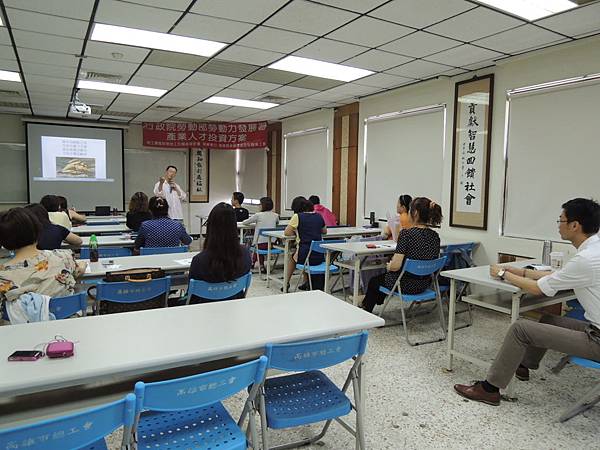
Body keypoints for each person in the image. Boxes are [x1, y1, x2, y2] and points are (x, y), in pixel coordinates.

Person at [454, 198, 600, 406]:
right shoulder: (594, 250)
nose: (558, 224)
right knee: (548, 320)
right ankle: (523, 364)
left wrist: (504, 273)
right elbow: (559, 275)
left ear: (575, 225)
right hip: (594, 328)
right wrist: (521, 271)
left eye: (561, 220)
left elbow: (540, 289)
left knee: (520, 328)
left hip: (597, 339)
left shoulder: (585, 260)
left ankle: (489, 389)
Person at [361, 197, 442, 313]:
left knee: (375, 281)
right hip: (424, 284)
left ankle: (366, 311)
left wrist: (389, 266)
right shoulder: (435, 236)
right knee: (382, 281)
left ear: (415, 213)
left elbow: (395, 266)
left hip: (405, 285)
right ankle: (371, 303)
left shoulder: (406, 234)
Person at [0, 207, 86, 309]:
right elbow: (78, 270)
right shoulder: (64, 258)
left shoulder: (3, 276)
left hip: (21, 324)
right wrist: (82, 265)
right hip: (66, 322)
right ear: (38, 229)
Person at [189, 203, 252, 304]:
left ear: (210, 226)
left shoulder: (199, 260)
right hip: (234, 305)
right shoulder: (245, 254)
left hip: (203, 310)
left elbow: (192, 293)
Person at [284, 196, 327, 291]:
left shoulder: (297, 217)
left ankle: (286, 283)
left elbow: (287, 232)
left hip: (305, 256)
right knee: (301, 254)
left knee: (293, 257)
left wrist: (297, 232)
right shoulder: (319, 216)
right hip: (319, 257)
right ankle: (306, 282)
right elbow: (324, 231)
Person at [242, 196, 279, 273]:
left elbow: (245, 222)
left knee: (255, 246)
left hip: (260, 244)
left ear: (262, 205)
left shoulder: (258, 215)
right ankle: (255, 264)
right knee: (258, 247)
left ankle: (257, 264)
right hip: (272, 244)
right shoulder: (276, 215)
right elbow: (277, 223)